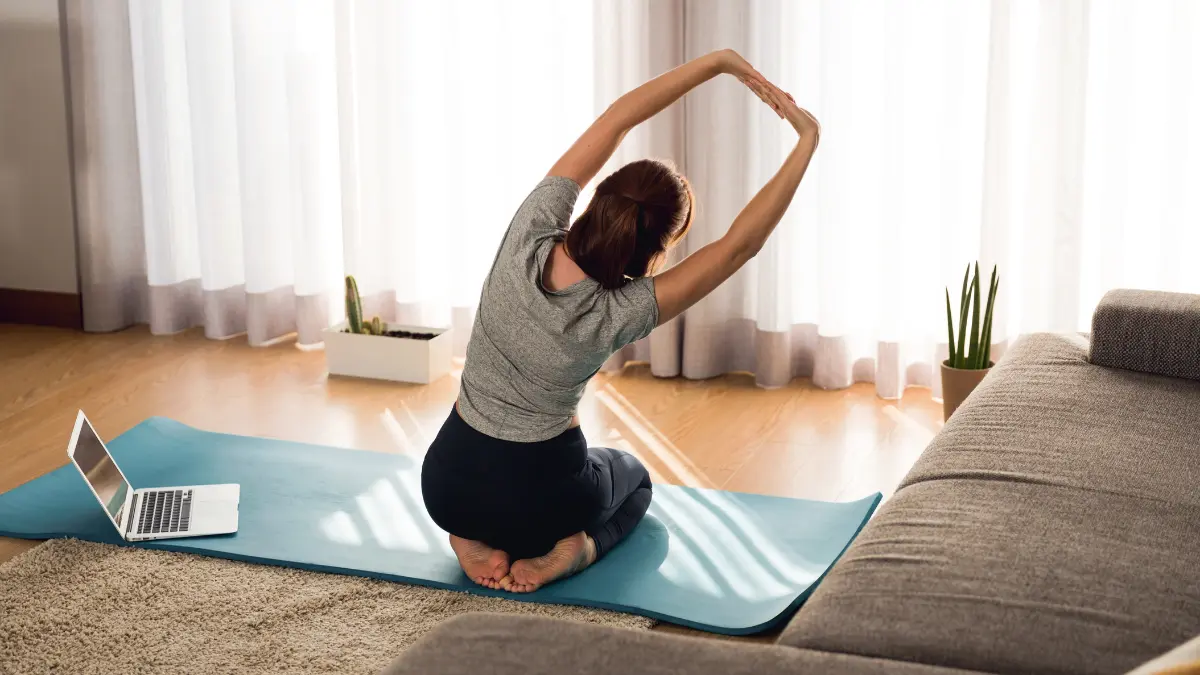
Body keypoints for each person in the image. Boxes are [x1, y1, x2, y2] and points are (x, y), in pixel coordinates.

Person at [420, 48, 820, 593]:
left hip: (445, 483)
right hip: (546, 504)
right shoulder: (622, 310)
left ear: (600, 198)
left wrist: (720, 64)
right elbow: (738, 248)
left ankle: (469, 537)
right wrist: (806, 139)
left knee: (491, 485)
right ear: (656, 245)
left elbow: (618, 118)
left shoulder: (528, 231)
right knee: (633, 478)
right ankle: (576, 551)